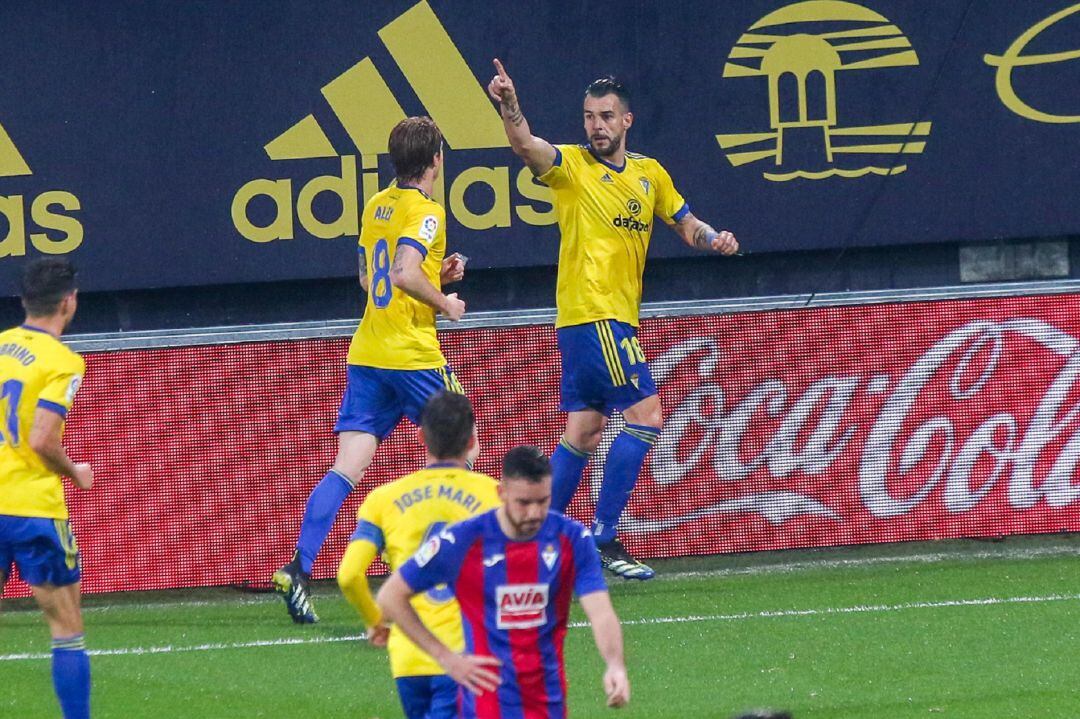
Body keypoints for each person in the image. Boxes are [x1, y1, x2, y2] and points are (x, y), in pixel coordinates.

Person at [487, 61, 739, 580]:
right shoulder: (573, 168)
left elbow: (685, 221)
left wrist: (713, 239)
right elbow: (524, 145)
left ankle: (535, 543)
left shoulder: (650, 174)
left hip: (594, 322)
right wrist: (509, 105)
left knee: (584, 431)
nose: (595, 126)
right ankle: (603, 537)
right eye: (588, 117)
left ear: (627, 121)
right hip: (596, 314)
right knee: (647, 417)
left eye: (605, 116)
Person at [274, 116, 471, 623]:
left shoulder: (377, 204)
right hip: (412, 355)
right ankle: (434, 568)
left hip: (368, 354)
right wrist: (445, 302)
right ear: (436, 161)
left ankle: (298, 569)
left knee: (348, 466)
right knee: (463, 452)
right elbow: (403, 273)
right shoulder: (426, 211)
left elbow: (370, 279)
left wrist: (435, 272)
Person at [377, 445, 630, 718]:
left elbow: (601, 611)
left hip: (548, 704)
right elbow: (391, 596)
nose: (534, 512)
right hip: (483, 706)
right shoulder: (462, 540)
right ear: (502, 493)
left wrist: (615, 665)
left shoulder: (572, 539)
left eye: (543, 501)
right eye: (523, 503)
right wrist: (445, 658)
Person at [337, 391, 500, 719]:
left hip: (409, 657)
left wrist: (376, 620)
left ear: (420, 437)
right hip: (468, 656)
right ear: (471, 442)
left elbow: (349, 575)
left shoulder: (383, 499)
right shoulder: (496, 496)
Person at [0, 258, 93, 719]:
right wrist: (74, 470)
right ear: (69, 302)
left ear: (23, 301)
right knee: (65, 627)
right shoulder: (63, 360)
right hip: (33, 507)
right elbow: (41, 439)